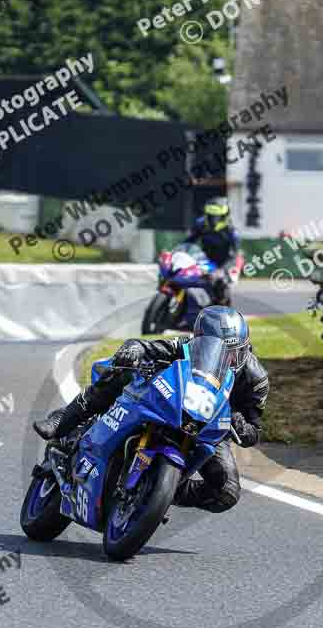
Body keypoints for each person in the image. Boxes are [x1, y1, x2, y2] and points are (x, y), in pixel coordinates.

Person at [34, 306, 269, 514]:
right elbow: (153, 348)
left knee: (227, 492)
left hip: (209, 425)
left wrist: (239, 422)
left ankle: (163, 489)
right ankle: (63, 420)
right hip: (170, 398)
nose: (228, 359)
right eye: (220, 351)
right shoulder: (187, 346)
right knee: (123, 372)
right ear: (199, 340)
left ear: (246, 349)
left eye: (235, 353)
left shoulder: (256, 381)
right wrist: (135, 348)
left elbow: (254, 431)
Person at [186, 197, 240, 306]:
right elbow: (189, 242)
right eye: (210, 216)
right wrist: (177, 253)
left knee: (220, 284)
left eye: (217, 217)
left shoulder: (231, 231)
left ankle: (222, 311)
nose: (213, 220)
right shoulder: (201, 224)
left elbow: (234, 255)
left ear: (224, 216)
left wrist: (222, 270)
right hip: (205, 258)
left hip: (225, 262)